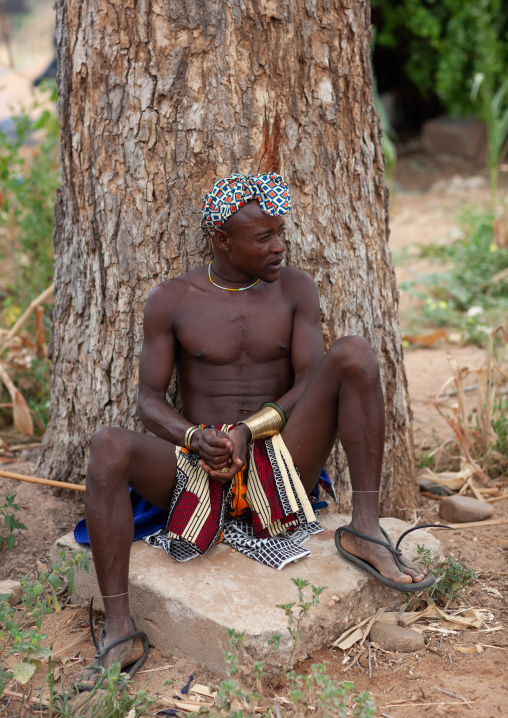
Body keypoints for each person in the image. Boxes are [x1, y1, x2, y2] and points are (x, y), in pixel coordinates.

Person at [74, 172, 434, 686]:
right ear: (222, 239)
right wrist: (193, 437)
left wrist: (248, 430)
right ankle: (119, 630)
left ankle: (366, 530)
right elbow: (149, 401)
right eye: (264, 237)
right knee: (107, 444)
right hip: (197, 466)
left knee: (353, 353)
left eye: (281, 233)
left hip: (281, 457)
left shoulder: (296, 289)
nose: (280, 246)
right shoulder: (172, 299)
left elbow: (311, 381)